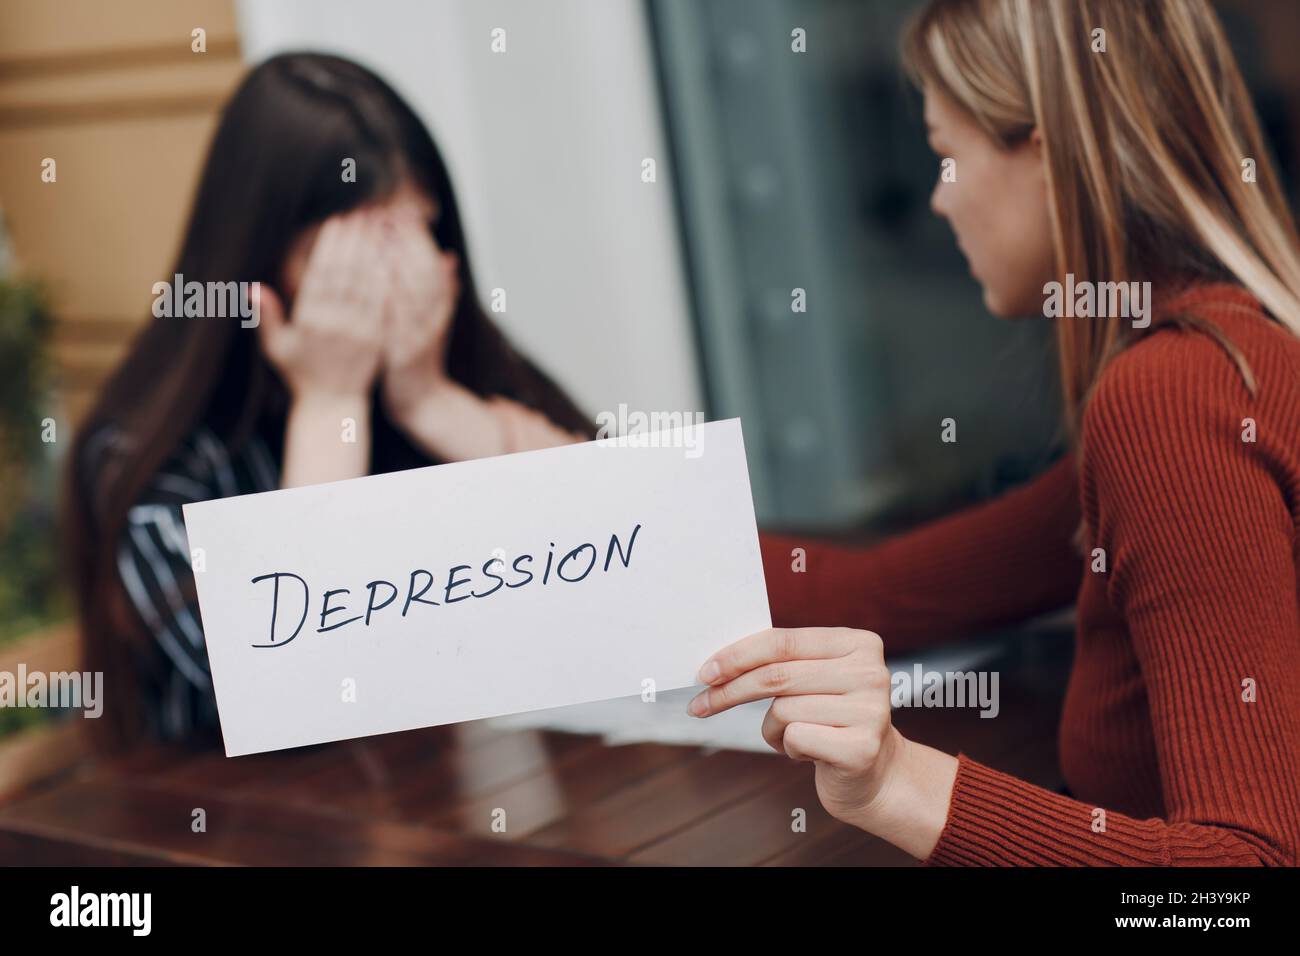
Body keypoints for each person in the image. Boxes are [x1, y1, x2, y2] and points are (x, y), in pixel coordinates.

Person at [694, 0, 1300, 865]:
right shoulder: (1228, 365)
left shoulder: (1174, 400)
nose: (939, 199)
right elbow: (874, 596)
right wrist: (576, 489)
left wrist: (895, 783)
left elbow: (1244, 881)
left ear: (1049, 156)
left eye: (947, 155)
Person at [66, 53, 588, 749]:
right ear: (258, 265)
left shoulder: (446, 367)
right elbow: (292, 690)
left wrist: (431, 401)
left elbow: (627, 549)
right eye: (352, 259)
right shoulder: (146, 456)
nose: (394, 283)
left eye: (415, 238)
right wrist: (331, 402)